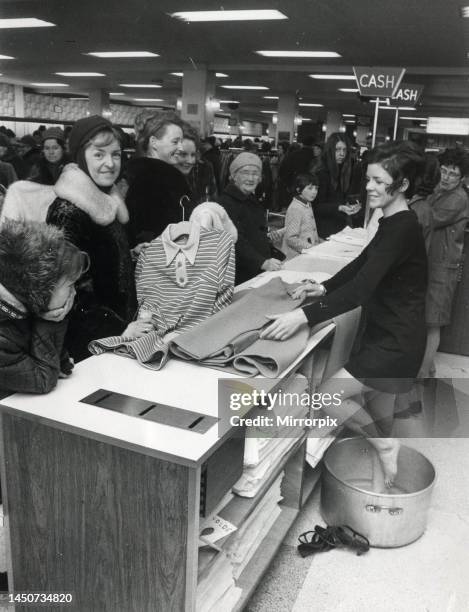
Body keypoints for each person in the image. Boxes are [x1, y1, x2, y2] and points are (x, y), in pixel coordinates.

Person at [261, 142, 427, 486]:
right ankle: (383, 494)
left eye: (379, 181)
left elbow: (361, 289)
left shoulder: (403, 227)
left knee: (330, 397)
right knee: (379, 418)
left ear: (403, 185)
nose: (369, 187)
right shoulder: (393, 221)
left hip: (397, 341)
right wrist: (322, 288)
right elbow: (362, 265)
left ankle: (384, 451)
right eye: (369, 179)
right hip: (389, 332)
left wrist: (304, 316)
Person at [44, 116, 142, 361]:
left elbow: (100, 261)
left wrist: (129, 254)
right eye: (99, 155)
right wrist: (118, 330)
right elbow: (69, 289)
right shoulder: (68, 211)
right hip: (88, 344)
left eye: (116, 154)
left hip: (117, 335)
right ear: (80, 156)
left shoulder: (106, 201)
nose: (110, 163)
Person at [0, 219, 87, 396]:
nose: (74, 294)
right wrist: (52, 321)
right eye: (69, 286)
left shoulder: (25, 307)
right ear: (41, 288)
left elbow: (59, 365)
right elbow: (42, 380)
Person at [416, 148, 469, 377]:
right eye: (444, 171)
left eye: (452, 174)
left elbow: (427, 219)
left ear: (463, 178)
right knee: (426, 320)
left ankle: (421, 375)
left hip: (443, 268)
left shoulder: (458, 197)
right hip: (431, 262)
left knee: (432, 323)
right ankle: (427, 367)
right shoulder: (439, 190)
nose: (446, 177)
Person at [124, 111, 193, 247]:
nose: (180, 147)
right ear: (154, 142)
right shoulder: (168, 178)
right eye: (175, 142)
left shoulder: (133, 171)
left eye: (181, 141)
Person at [218, 152, 283, 285]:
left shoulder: (250, 198)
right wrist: (262, 262)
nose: (251, 178)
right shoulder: (226, 203)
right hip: (240, 275)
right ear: (233, 176)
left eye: (255, 174)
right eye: (245, 173)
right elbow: (235, 241)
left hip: (255, 271)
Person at [314, 132, 365, 238]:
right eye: (337, 149)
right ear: (330, 151)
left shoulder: (345, 170)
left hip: (339, 226)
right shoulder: (321, 173)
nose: (342, 153)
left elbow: (339, 198)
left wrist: (349, 205)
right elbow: (316, 206)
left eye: (344, 150)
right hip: (322, 228)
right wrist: (339, 207)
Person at [281, 172, 320, 259]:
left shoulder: (307, 203)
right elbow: (290, 238)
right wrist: (311, 248)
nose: (314, 192)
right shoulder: (296, 208)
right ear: (298, 189)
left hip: (307, 253)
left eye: (316, 188)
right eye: (310, 188)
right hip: (295, 257)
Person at [174, 127, 218, 203]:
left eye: (193, 155)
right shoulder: (162, 174)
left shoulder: (204, 168)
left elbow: (213, 200)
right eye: (183, 154)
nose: (190, 161)